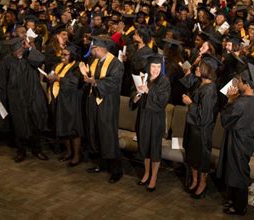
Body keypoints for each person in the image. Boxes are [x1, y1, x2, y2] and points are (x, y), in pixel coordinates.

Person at [216, 63, 254, 216]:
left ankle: (239, 206)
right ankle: (233, 200)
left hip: (238, 142)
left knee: (239, 174)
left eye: (240, 81)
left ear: (247, 84)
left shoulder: (241, 103)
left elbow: (225, 120)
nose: (238, 83)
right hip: (246, 140)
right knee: (235, 171)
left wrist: (230, 100)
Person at [0, 37, 49, 163]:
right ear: (11, 51)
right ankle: (21, 151)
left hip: (33, 96)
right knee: (19, 125)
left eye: (20, 49)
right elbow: (1, 80)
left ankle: (37, 150)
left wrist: (29, 47)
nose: (19, 52)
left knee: (35, 123)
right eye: (16, 50)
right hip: (16, 98)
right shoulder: (7, 61)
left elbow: (41, 59)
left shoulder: (29, 56)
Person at [79, 35, 124, 183]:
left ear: (99, 49)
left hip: (108, 104)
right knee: (96, 132)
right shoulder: (95, 61)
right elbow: (92, 79)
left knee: (108, 135)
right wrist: (85, 75)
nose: (91, 50)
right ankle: (102, 164)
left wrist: (95, 82)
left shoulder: (116, 63)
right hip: (94, 101)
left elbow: (113, 82)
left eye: (93, 48)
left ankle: (116, 170)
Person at [130, 53, 171, 192]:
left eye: (158, 66)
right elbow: (134, 100)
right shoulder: (143, 78)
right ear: (149, 66)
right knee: (144, 147)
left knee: (154, 148)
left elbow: (162, 102)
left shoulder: (164, 81)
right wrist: (138, 94)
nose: (156, 70)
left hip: (156, 119)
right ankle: (146, 173)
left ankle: (153, 177)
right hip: (143, 117)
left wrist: (148, 91)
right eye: (153, 66)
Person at [181, 57, 219, 199]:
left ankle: (202, 183)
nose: (196, 67)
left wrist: (190, 103)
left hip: (202, 131)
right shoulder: (200, 84)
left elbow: (205, 116)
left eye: (199, 66)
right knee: (192, 155)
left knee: (202, 158)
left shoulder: (209, 90)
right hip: (193, 127)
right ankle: (195, 180)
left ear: (207, 70)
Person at [47, 44, 84, 167]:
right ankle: (68, 152)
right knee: (62, 126)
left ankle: (76, 155)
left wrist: (58, 78)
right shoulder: (58, 66)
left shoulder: (77, 67)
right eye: (61, 54)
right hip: (59, 100)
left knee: (73, 128)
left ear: (72, 56)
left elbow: (74, 82)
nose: (62, 57)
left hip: (72, 101)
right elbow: (51, 74)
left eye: (65, 55)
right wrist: (50, 77)